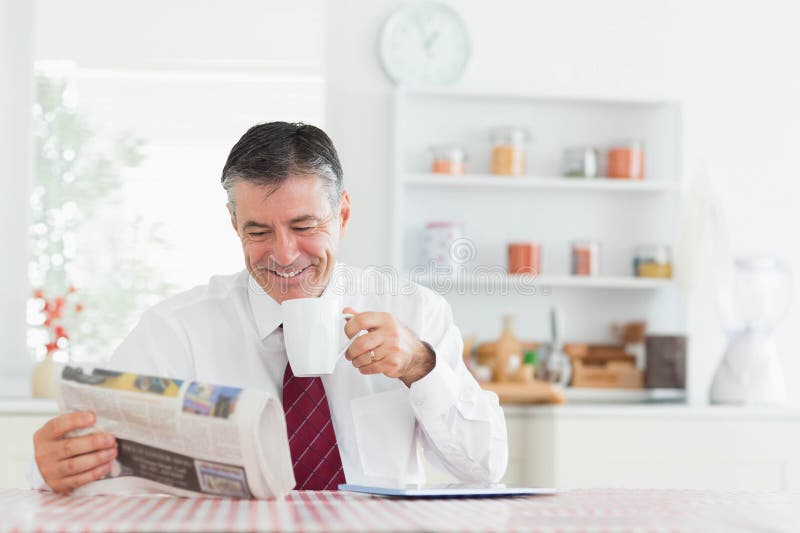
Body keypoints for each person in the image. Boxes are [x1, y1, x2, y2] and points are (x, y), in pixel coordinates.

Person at [31, 122, 508, 493]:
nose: (283, 254)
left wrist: (421, 366)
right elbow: (97, 461)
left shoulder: (415, 311)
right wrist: (56, 468)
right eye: (258, 231)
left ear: (341, 214)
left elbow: (484, 468)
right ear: (234, 224)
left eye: (304, 226)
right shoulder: (176, 332)